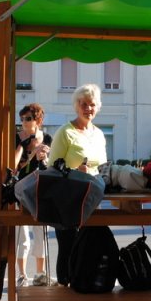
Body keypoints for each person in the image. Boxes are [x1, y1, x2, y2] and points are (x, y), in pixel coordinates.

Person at [48, 84, 108, 285]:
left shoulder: (99, 134)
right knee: (68, 248)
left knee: (89, 247)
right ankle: (64, 291)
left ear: (97, 107)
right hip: (68, 201)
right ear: (76, 105)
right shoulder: (65, 132)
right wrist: (75, 172)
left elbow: (102, 167)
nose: (88, 108)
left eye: (92, 104)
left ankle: (84, 287)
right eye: (84, 104)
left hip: (92, 200)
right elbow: (52, 168)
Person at [14, 103, 52, 286]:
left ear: (39, 120)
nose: (24, 122)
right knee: (22, 235)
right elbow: (14, 167)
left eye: (28, 118)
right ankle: (21, 274)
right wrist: (29, 153)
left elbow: (49, 166)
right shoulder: (17, 138)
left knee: (41, 233)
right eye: (22, 119)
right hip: (21, 190)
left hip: (41, 190)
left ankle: (40, 273)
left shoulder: (47, 138)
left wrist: (44, 157)